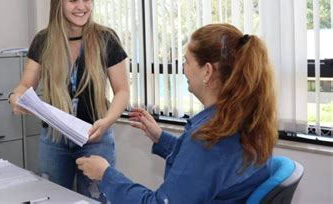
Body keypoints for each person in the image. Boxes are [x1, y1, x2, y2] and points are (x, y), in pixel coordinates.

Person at [76, 23, 278, 203]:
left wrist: (105, 174)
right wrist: (160, 138)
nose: (183, 69)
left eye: (187, 62)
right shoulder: (245, 120)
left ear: (207, 71)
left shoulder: (208, 139)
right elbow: (202, 167)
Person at [8, 0, 130, 202]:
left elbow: (122, 91)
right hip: (54, 140)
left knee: (96, 198)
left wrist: (107, 122)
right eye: (73, 0)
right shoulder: (44, 40)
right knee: (52, 198)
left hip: (95, 137)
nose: (81, 6)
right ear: (59, 4)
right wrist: (14, 97)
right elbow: (25, 85)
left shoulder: (106, 38)